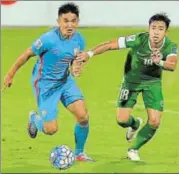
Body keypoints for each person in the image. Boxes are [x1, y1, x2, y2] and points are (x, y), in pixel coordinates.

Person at [75, 13, 178, 161]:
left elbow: (172, 65)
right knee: (122, 120)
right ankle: (135, 124)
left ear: (166, 32)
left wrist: (159, 62)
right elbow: (111, 44)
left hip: (152, 82)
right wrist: (89, 54)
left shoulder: (170, 46)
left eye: (160, 29)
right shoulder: (138, 39)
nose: (156, 32)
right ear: (148, 29)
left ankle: (133, 149)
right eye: (153, 28)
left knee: (155, 121)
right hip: (131, 82)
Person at [3, 3, 94, 162]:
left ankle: (79, 153)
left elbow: (74, 61)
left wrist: (76, 68)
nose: (70, 25)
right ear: (58, 21)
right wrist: (10, 74)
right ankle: (33, 118)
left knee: (83, 116)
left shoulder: (79, 40)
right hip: (45, 86)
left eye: (73, 21)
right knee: (51, 129)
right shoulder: (48, 39)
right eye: (65, 21)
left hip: (65, 82)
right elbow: (26, 55)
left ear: (78, 22)